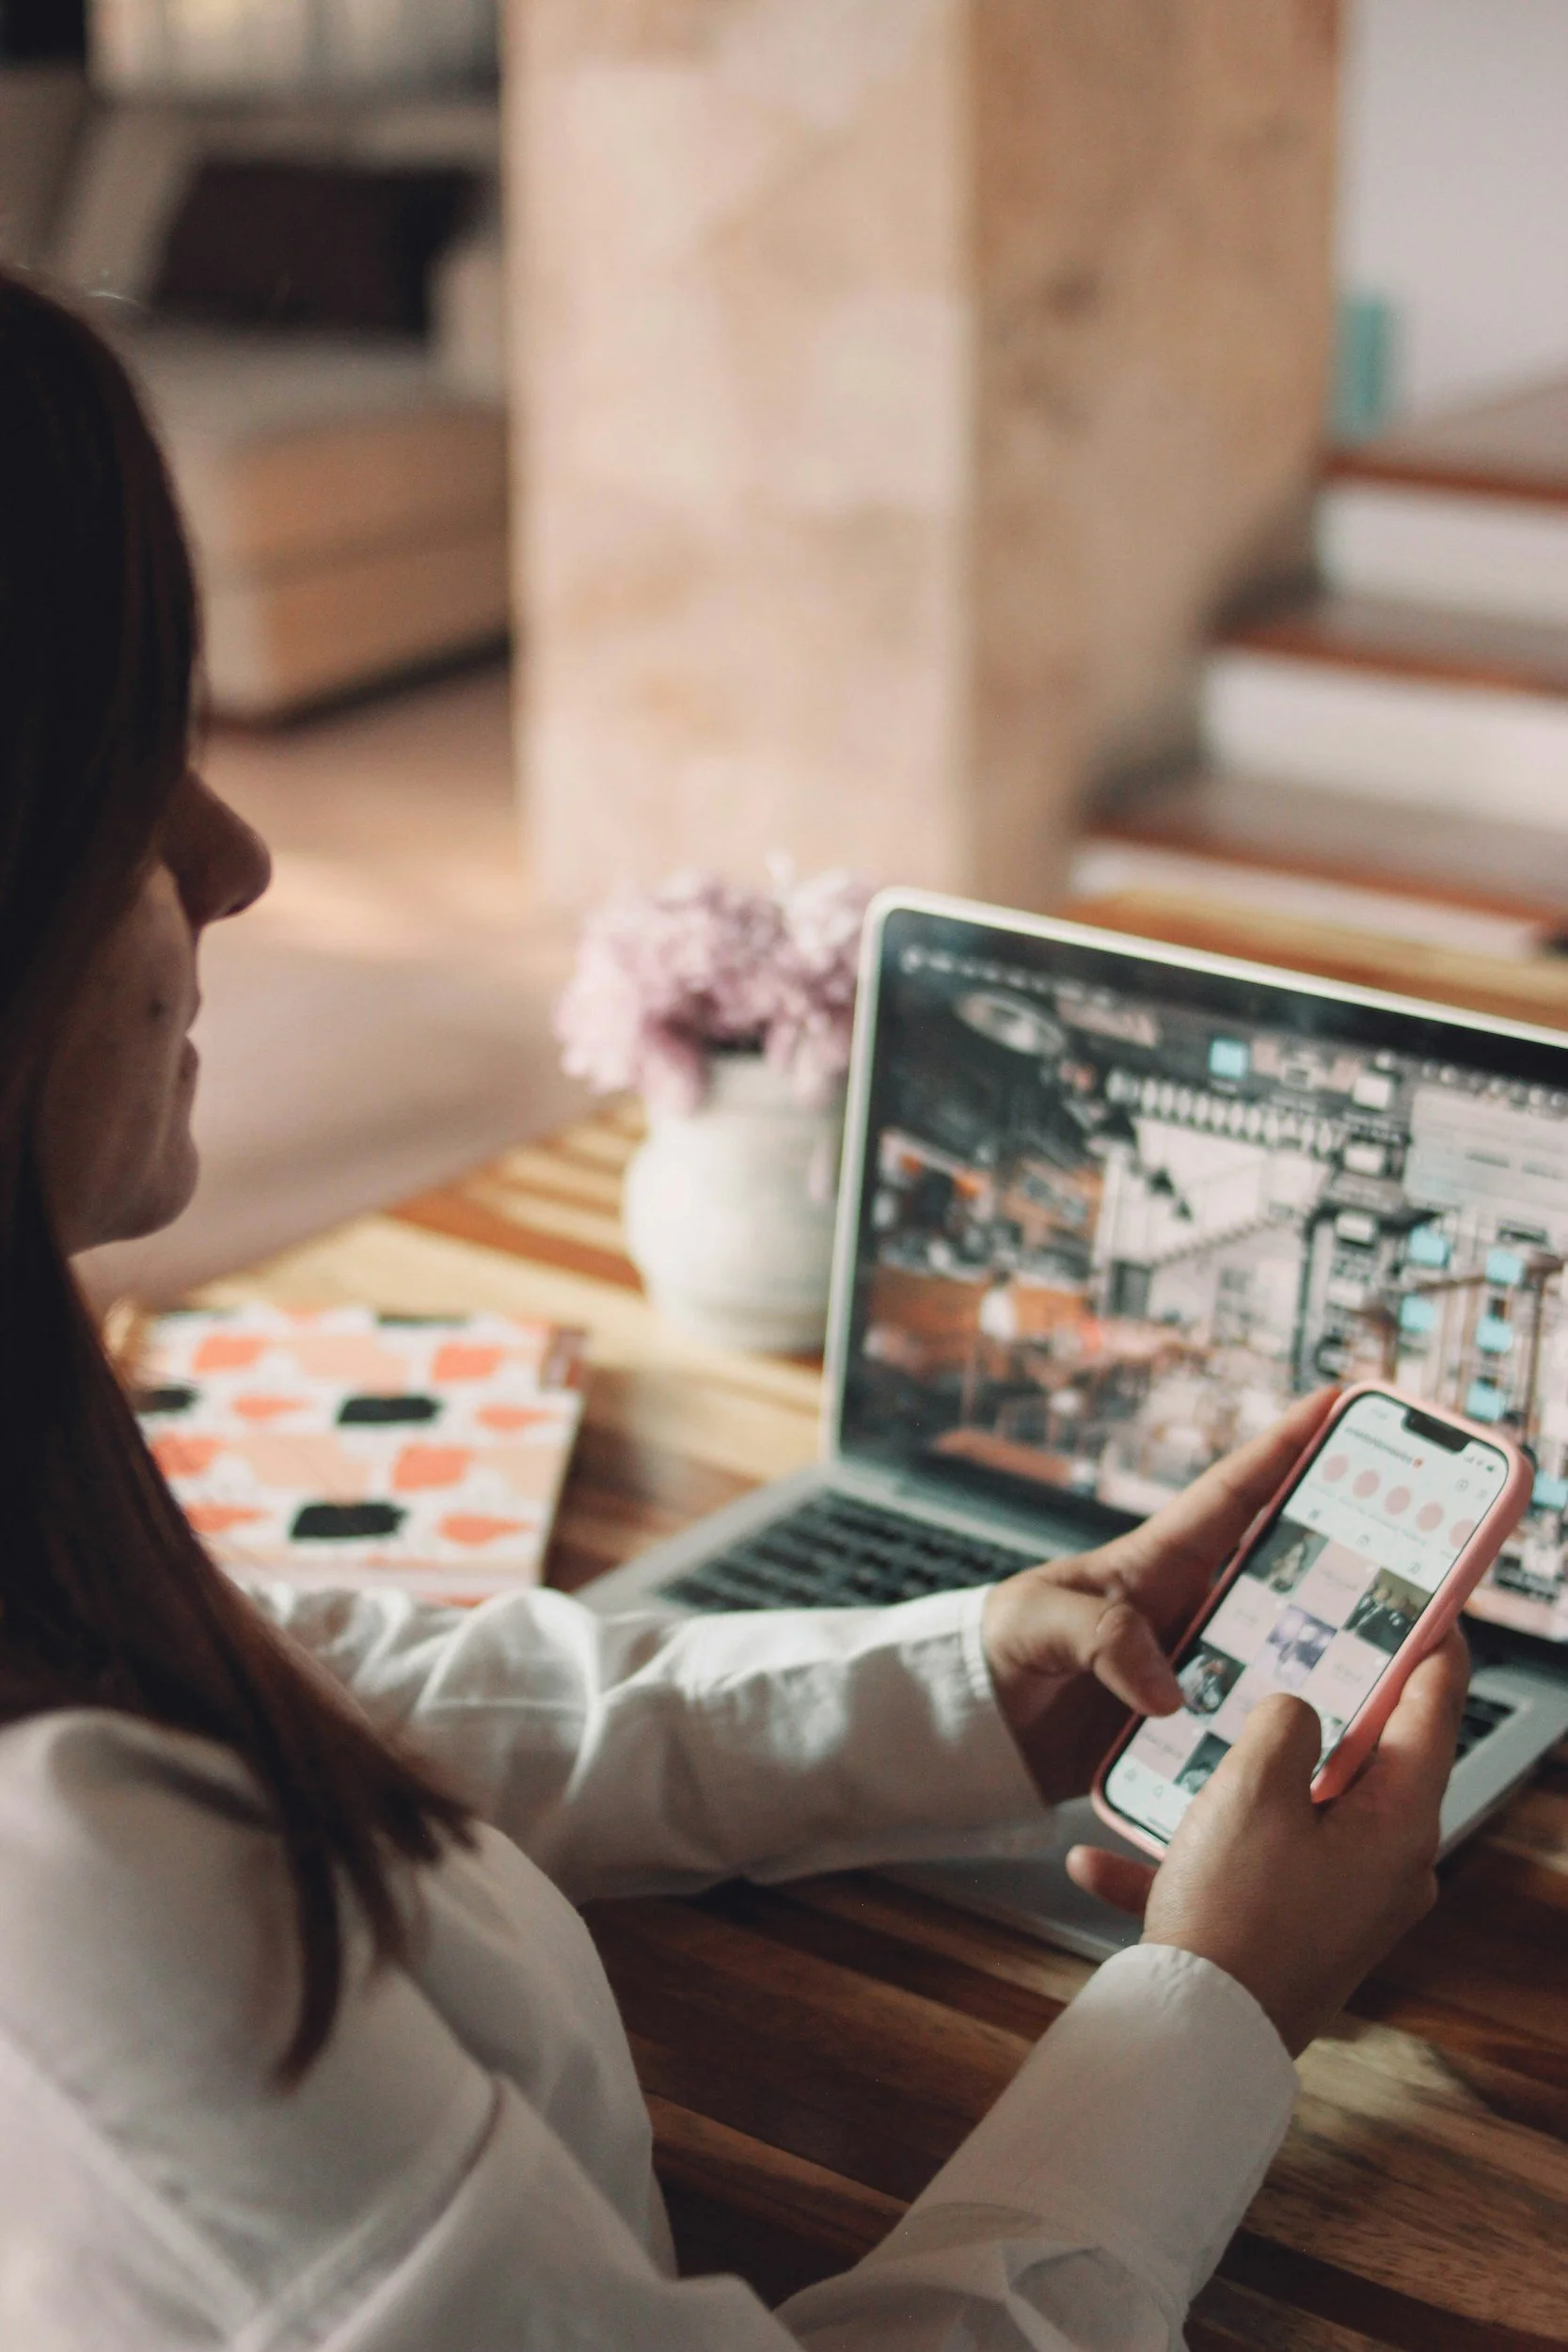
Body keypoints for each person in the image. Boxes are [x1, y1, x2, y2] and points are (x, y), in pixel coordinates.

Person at [0, 267, 1467, 2351]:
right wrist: (1215, 2004)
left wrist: (975, 1681)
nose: (233, 857)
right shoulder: (94, 1930)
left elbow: (336, 1680)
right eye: (133, 773)